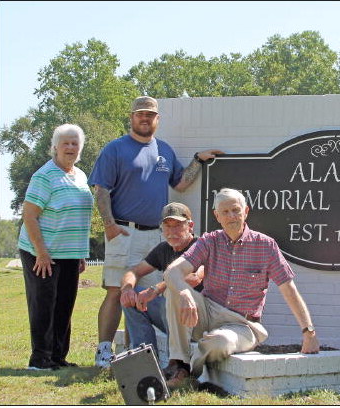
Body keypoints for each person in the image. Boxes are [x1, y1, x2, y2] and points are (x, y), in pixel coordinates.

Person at [88, 95, 223, 368]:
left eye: (150, 114)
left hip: (156, 235)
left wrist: (198, 160)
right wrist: (110, 226)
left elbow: (181, 183)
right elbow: (101, 190)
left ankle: (135, 355)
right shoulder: (115, 149)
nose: (145, 118)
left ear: (157, 119)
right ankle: (103, 351)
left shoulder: (165, 150)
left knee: (146, 298)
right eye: (140, 114)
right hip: (124, 232)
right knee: (116, 291)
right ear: (132, 117)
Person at [162, 188, 320, 387]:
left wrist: (309, 332)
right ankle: (178, 364)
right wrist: (185, 293)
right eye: (225, 212)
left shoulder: (266, 246)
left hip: (243, 324)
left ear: (246, 211)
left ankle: (190, 372)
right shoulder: (209, 241)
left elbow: (289, 290)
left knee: (220, 342)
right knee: (174, 290)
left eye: (236, 210)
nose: (231, 216)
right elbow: (172, 272)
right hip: (208, 311)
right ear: (216, 216)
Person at [18, 124, 93, 370]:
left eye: (75, 143)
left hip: (70, 253)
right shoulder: (44, 175)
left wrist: (81, 254)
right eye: (65, 143)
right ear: (55, 147)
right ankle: (40, 359)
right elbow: (29, 216)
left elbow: (79, 217)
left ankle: (58, 357)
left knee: (64, 306)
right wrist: (41, 252)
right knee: (44, 305)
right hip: (42, 253)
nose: (70, 147)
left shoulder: (80, 175)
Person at [119, 202, 204, 361]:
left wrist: (156, 289)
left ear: (190, 226)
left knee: (172, 296)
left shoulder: (200, 246)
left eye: (178, 225)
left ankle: (177, 364)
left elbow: (194, 278)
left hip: (196, 319)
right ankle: (144, 361)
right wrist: (127, 289)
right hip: (169, 315)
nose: (172, 232)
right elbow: (133, 271)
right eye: (167, 226)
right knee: (131, 299)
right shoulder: (163, 249)